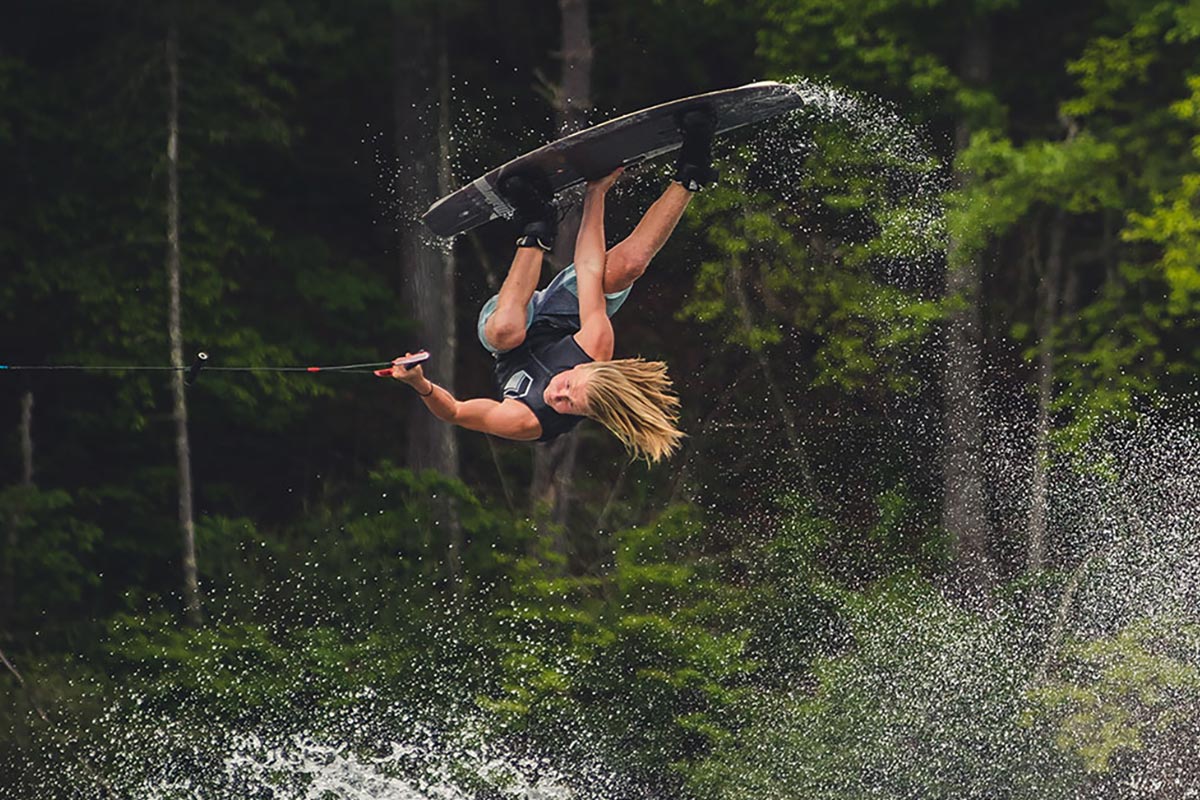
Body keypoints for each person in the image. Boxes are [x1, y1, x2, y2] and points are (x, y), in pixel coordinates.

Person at [380, 110, 718, 463]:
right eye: (570, 387)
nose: (560, 396)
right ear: (587, 366)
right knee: (627, 267)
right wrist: (596, 193)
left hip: (507, 324)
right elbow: (589, 267)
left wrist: (419, 383)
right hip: (559, 314)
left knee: (507, 331)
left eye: (570, 406)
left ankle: (536, 226)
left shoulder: (528, 421)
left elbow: (455, 412)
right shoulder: (596, 344)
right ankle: (693, 170)